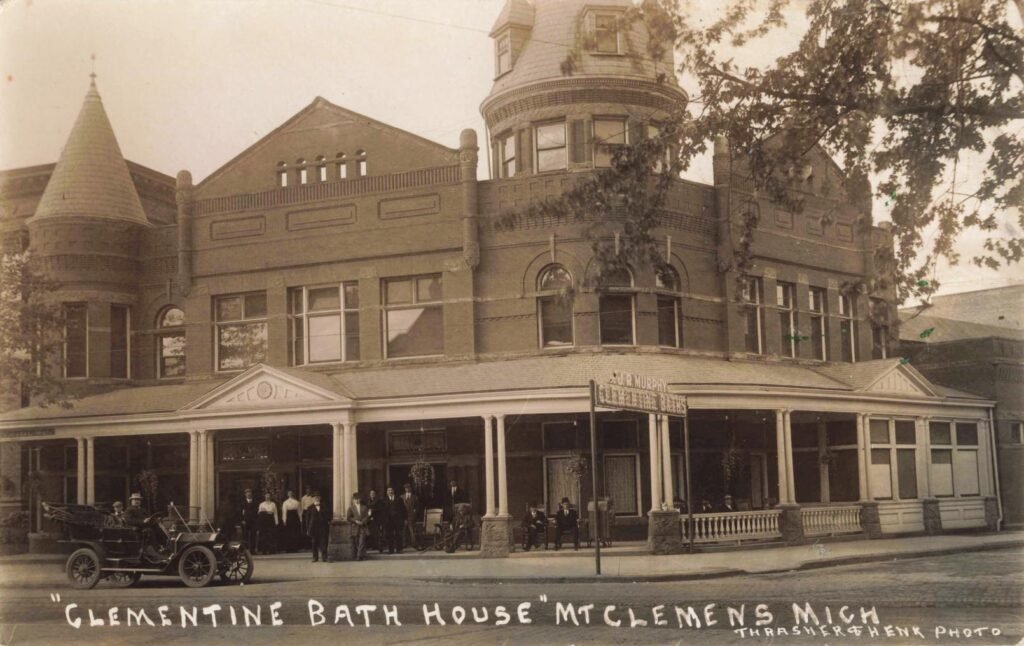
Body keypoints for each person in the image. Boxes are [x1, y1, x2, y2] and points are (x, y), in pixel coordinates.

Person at [305, 493, 331, 563]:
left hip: (323, 527)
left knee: (324, 543)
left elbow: (329, 516)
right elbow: (307, 520)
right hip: (313, 528)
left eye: (318, 497)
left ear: (320, 498)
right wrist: (308, 529)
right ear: (313, 499)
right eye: (315, 497)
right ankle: (315, 557)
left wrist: (327, 521)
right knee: (314, 543)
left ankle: (324, 557)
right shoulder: (309, 508)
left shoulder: (325, 506)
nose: (316, 498)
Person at [381, 486, 407, 554]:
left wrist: (405, 519)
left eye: (391, 490)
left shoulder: (399, 499)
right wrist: (383, 521)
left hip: (398, 520)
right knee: (389, 535)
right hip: (388, 521)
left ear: (393, 491)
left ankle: (399, 549)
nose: (390, 492)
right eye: (389, 490)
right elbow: (382, 512)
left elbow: (404, 510)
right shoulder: (384, 500)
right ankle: (391, 550)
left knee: (398, 534)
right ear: (387, 492)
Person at [345, 492, 370, 561]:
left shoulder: (364, 507)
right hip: (355, 527)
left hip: (363, 526)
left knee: (362, 541)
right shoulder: (351, 508)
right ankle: (362, 555)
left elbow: (367, 516)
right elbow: (348, 517)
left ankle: (358, 556)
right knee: (356, 541)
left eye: (358, 499)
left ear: (360, 499)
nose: (357, 500)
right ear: (353, 500)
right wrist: (355, 521)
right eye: (355, 499)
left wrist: (363, 522)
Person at [401, 483, 421, 549]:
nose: (407, 489)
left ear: (411, 488)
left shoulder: (415, 497)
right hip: (403, 516)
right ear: (404, 489)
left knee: (411, 529)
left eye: (409, 488)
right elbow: (399, 507)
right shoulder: (402, 497)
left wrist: (415, 511)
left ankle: (414, 543)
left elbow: (418, 507)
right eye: (406, 488)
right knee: (403, 530)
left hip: (411, 516)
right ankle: (404, 543)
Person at [366, 489, 384, 554]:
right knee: (372, 533)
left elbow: (381, 510)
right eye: (371, 493)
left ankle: (380, 547)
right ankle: (373, 546)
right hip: (370, 520)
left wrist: (373, 511)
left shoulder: (379, 501)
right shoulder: (368, 501)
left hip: (377, 519)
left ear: (375, 494)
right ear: (369, 494)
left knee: (378, 534)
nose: (372, 494)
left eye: (373, 493)